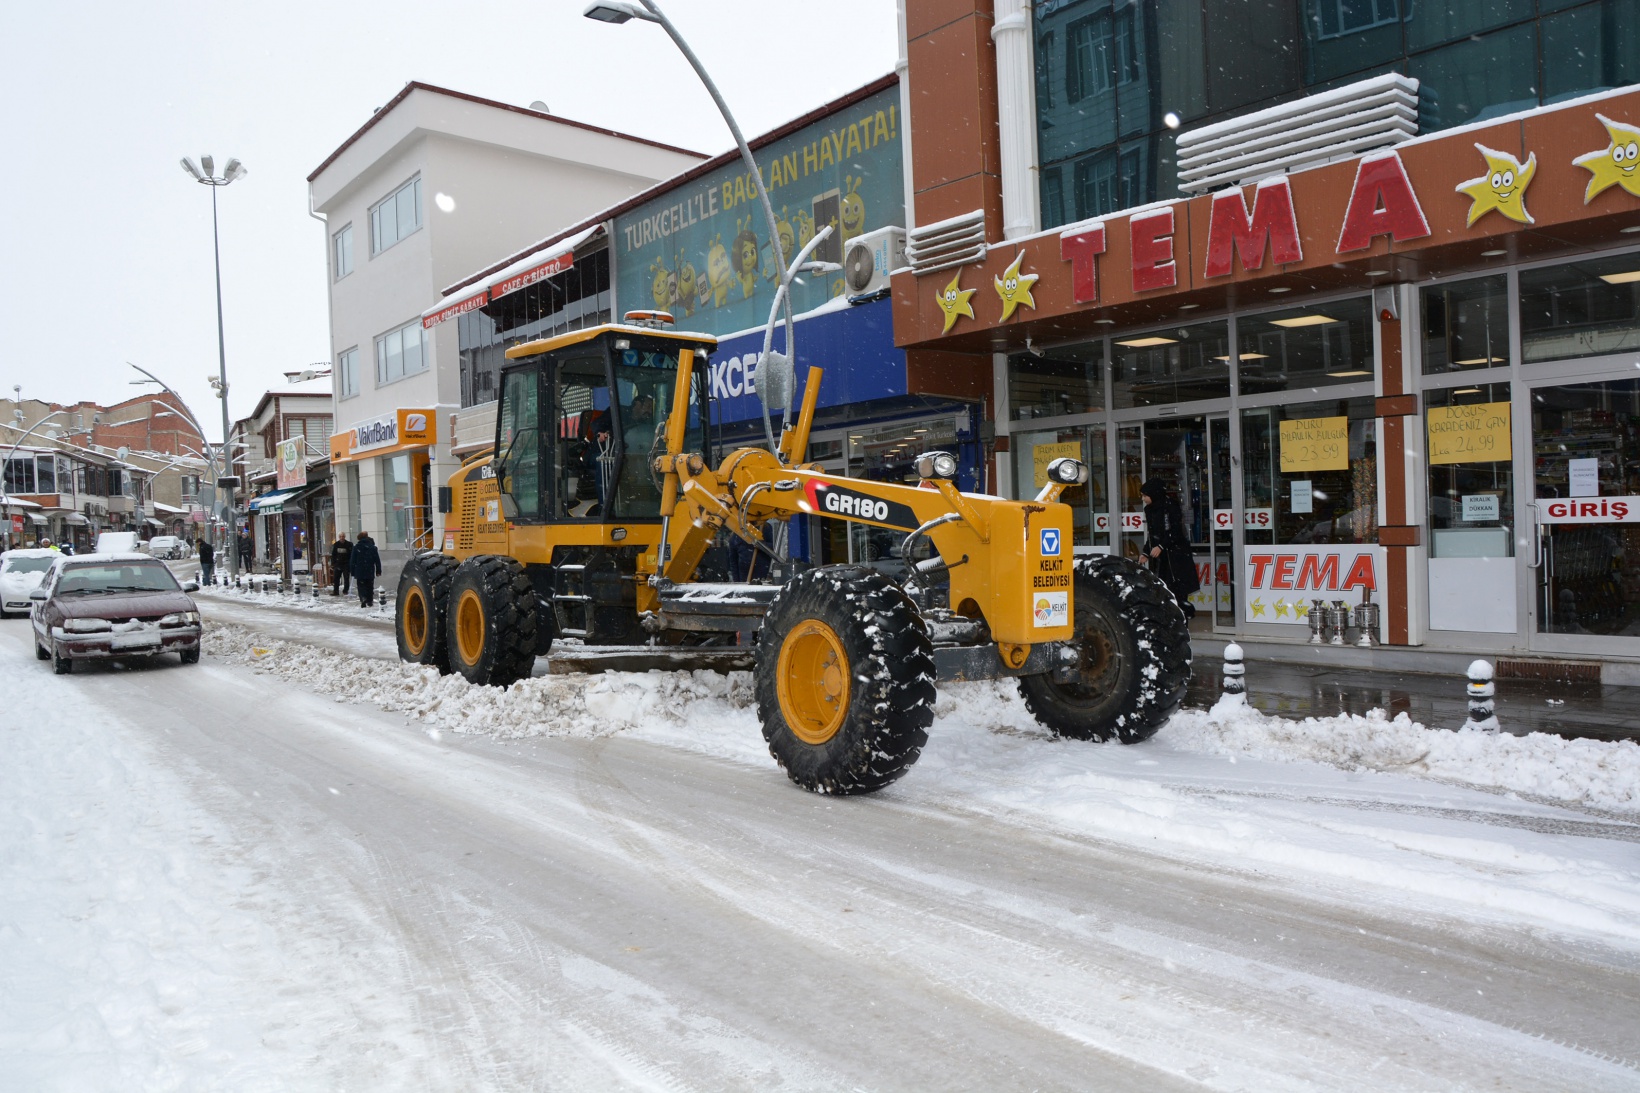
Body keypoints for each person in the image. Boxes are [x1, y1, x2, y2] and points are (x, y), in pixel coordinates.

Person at [1140, 477, 1201, 620]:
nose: (1143, 499)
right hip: (1162, 559)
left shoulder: (1170, 507)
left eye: (1145, 495)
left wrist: (1161, 546)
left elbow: (1176, 531)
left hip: (1176, 557)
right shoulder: (1150, 510)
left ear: (1153, 494)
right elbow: (1153, 533)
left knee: (1177, 589)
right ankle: (1168, 618)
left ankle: (1180, 619)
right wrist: (1146, 552)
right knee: (1162, 588)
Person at [350, 530, 381, 608]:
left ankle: (363, 598)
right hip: (369, 569)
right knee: (370, 585)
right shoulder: (373, 547)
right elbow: (377, 560)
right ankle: (370, 600)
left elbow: (353, 560)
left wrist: (352, 571)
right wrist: (378, 570)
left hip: (359, 570)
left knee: (361, 586)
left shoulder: (356, 547)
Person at [330, 532, 353, 597]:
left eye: (343, 536)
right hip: (338, 564)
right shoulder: (336, 544)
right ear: (339, 537)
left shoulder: (349, 544)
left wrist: (350, 563)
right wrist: (333, 564)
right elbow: (333, 555)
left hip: (346, 564)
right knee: (336, 578)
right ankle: (336, 591)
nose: (342, 538)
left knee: (346, 578)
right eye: (340, 536)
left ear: (344, 537)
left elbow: (351, 555)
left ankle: (345, 590)